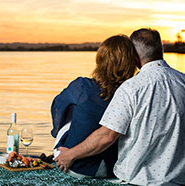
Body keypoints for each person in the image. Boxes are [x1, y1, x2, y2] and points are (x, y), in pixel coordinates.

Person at [55, 28, 185, 186]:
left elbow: (106, 137)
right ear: (162, 49)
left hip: (141, 180)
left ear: (133, 56)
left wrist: (70, 155)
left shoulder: (131, 88)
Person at [50, 35, 138, 178]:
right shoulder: (131, 93)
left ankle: (64, 148)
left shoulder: (82, 86)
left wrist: (58, 130)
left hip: (76, 167)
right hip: (111, 168)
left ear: (100, 60)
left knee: (71, 107)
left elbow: (57, 106)